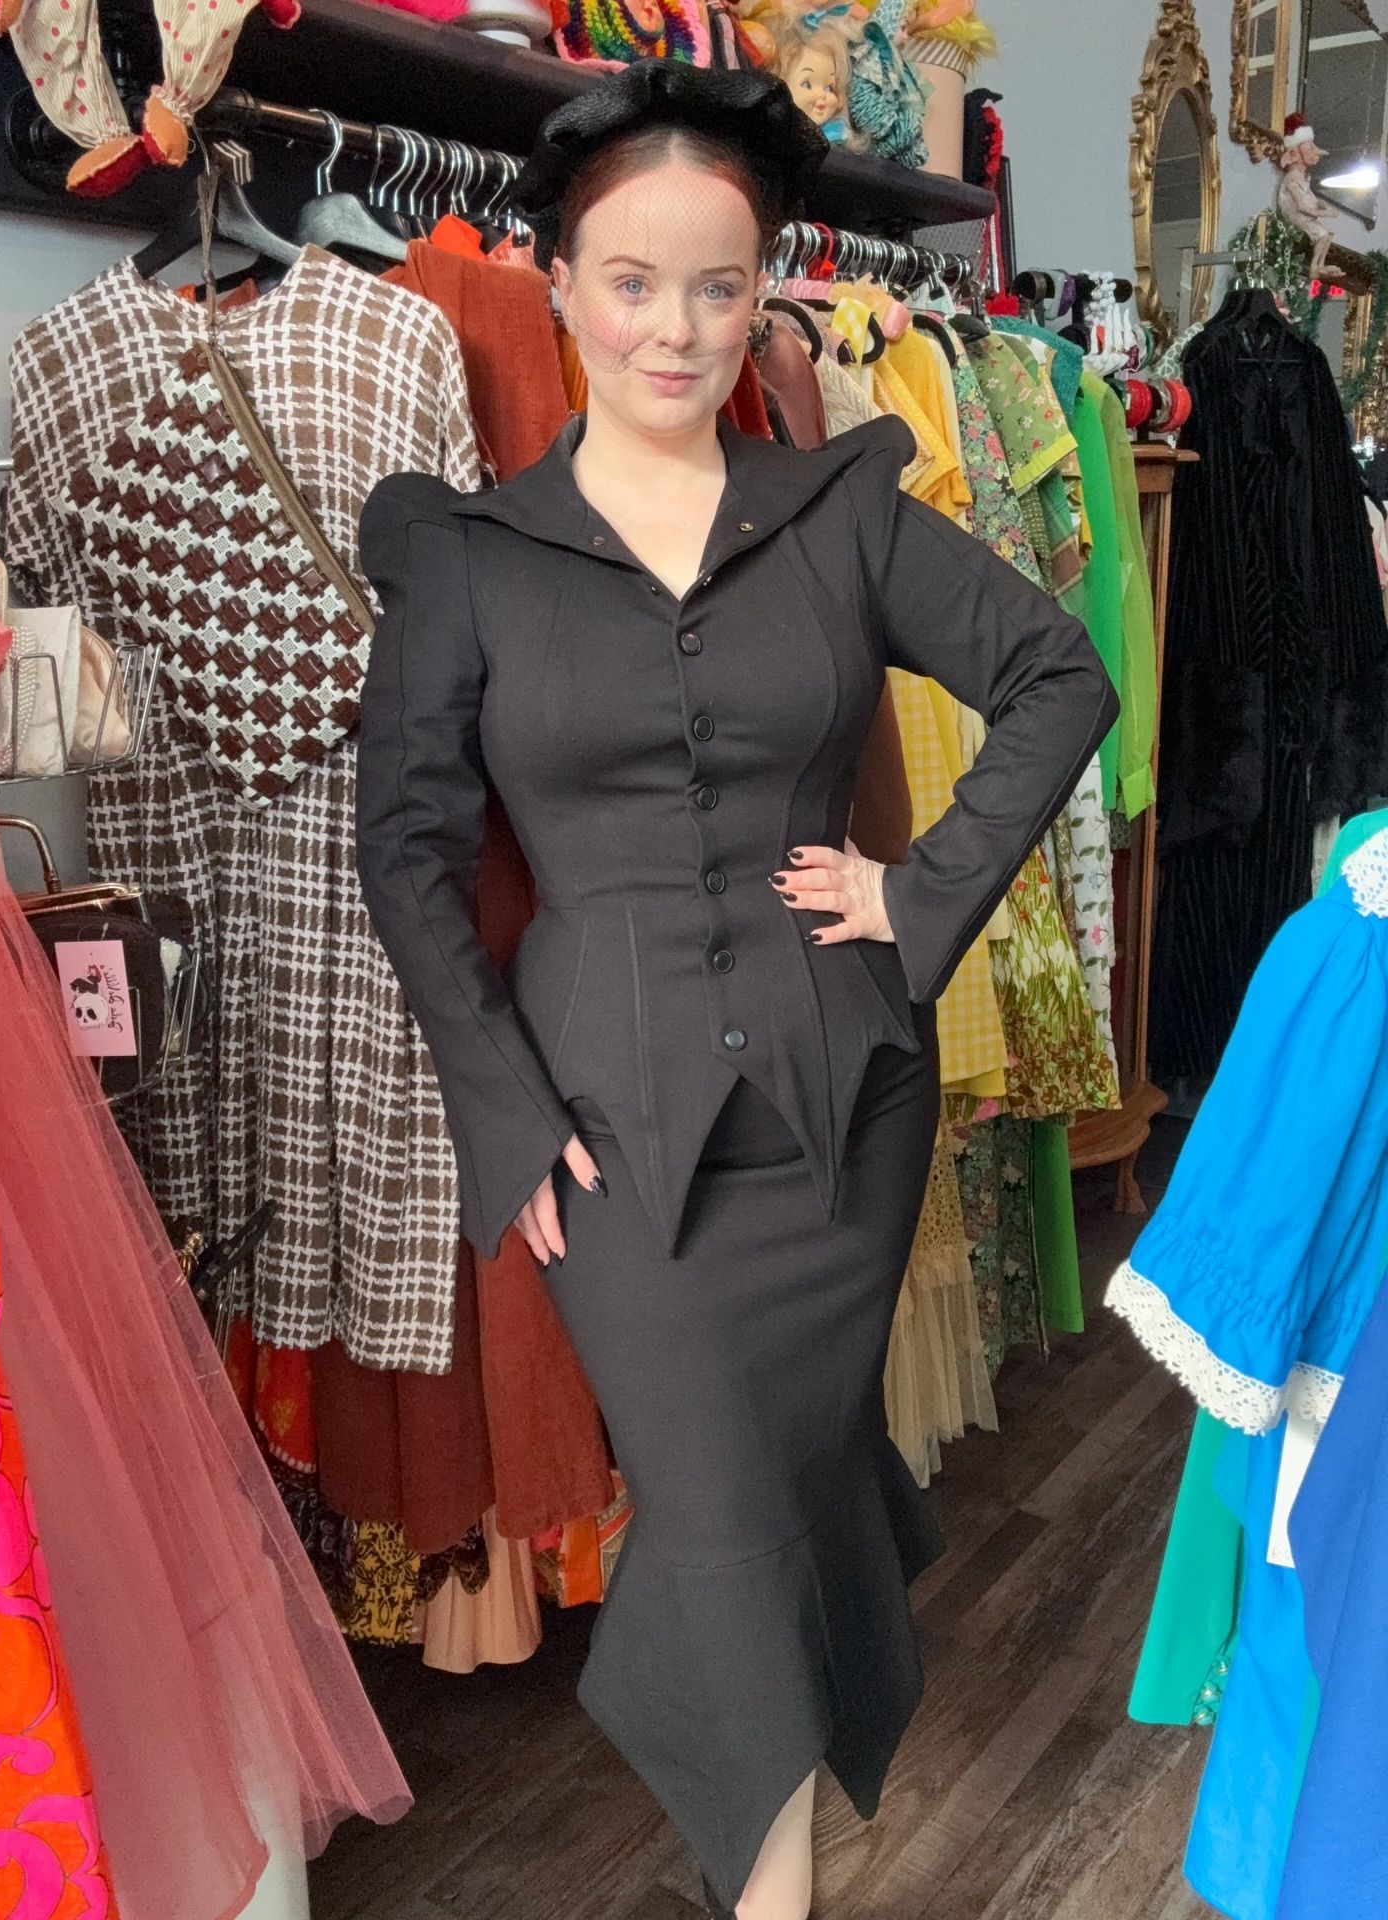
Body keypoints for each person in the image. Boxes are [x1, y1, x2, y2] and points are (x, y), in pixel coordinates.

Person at [356, 59, 1114, 1920]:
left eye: (717, 283)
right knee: (713, 1514)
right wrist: (499, 1108)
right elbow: (406, 849)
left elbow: (1059, 679)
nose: (675, 326)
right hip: (610, 1140)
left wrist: (914, 894)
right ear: (557, 282)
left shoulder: (841, 511)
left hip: (840, 1108)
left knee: (781, 1503)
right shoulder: (468, 561)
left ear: (763, 288)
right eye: (632, 279)